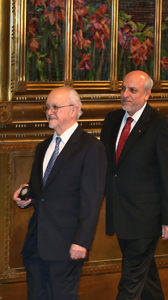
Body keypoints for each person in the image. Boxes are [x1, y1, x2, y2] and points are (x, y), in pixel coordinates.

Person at [13, 86, 106, 300]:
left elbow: (92, 198)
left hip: (66, 244)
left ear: (74, 110)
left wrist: (82, 241)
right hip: (36, 244)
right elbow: (43, 190)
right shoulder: (43, 146)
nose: (49, 112)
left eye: (55, 107)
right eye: (47, 107)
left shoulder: (91, 147)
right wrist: (26, 197)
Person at [100, 70, 168, 300]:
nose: (125, 94)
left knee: (130, 283)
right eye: (123, 88)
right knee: (147, 280)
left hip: (146, 218)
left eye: (132, 90)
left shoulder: (160, 125)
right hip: (120, 215)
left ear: (147, 94)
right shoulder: (112, 120)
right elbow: (106, 167)